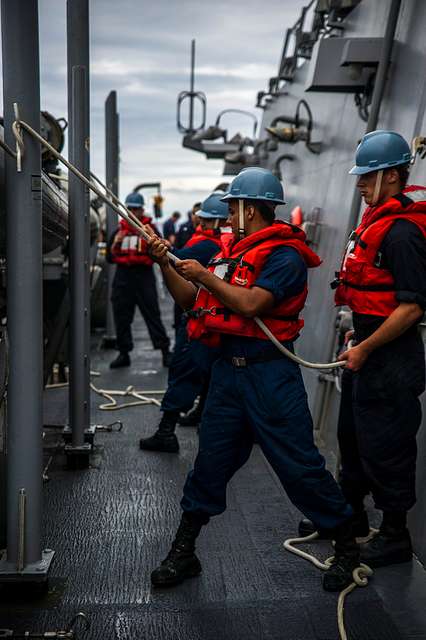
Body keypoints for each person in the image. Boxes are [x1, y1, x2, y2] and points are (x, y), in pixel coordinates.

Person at [148, 167, 359, 592]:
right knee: (209, 465)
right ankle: (184, 551)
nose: (227, 217)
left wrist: (204, 274)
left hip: (270, 375)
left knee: (300, 466)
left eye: (232, 208)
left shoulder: (284, 258)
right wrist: (164, 264)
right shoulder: (232, 254)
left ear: (249, 208)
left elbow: (250, 304)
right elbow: (191, 299)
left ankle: (347, 546)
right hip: (227, 375)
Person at [300, 130, 426, 568]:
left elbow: (411, 309)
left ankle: (394, 535)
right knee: (352, 437)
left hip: (391, 358)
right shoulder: (377, 221)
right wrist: (360, 339)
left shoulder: (402, 235)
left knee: (388, 444)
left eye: (367, 175)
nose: (359, 183)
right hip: (368, 349)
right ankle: (349, 516)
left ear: (391, 176)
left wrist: (368, 346)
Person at [139, 191, 230, 453]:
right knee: (209, 375)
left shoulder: (207, 246)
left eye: (204, 220)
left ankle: (166, 432)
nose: (199, 224)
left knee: (183, 373)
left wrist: (157, 248)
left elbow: (177, 259)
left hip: (200, 325)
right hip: (213, 323)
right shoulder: (227, 245)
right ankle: (200, 414)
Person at [108, 192, 172, 369]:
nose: (133, 212)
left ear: (142, 210)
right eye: (130, 209)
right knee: (121, 316)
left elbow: (162, 249)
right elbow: (109, 256)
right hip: (123, 277)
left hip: (144, 276)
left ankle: (165, 351)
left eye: (136, 209)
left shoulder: (150, 230)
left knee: (153, 314)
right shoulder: (118, 231)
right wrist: (116, 242)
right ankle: (124, 353)